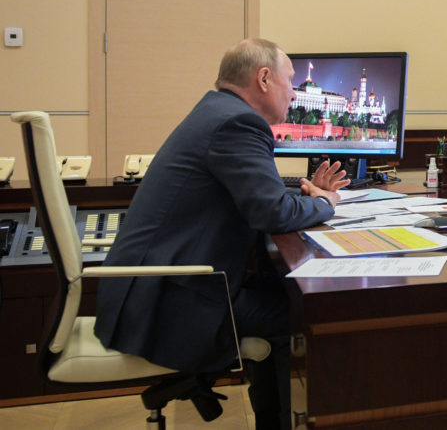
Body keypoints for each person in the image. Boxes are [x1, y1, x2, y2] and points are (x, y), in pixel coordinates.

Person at [94, 38, 349, 430]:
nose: (293, 93)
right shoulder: (238, 122)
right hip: (165, 301)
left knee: (284, 289)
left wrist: (305, 193)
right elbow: (271, 211)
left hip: (158, 284)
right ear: (263, 79)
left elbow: (256, 195)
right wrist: (328, 203)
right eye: (289, 81)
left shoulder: (217, 111)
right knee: (302, 315)